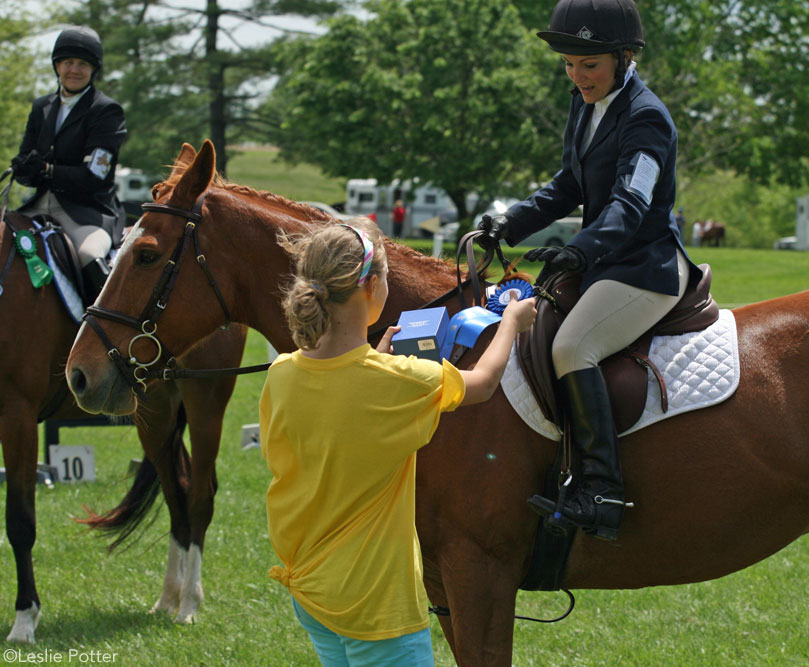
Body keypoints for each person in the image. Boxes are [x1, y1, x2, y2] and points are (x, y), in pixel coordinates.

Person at [259, 218, 535, 667]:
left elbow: (339, 411)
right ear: (371, 288)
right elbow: (482, 384)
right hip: (375, 605)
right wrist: (511, 322)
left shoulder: (282, 374)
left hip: (311, 590)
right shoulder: (396, 383)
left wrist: (377, 359)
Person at [477, 0, 703, 542]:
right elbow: (569, 185)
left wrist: (579, 248)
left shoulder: (647, 117)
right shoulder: (587, 104)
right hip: (604, 261)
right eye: (568, 65)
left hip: (644, 267)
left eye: (589, 65)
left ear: (625, 58)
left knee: (571, 347)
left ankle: (600, 490)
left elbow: (631, 202)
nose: (577, 77)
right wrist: (508, 223)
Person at [10, 25, 127, 303]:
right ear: (57, 66)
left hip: (85, 211)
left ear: (93, 69)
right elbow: (29, 160)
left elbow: (95, 177)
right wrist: (25, 170)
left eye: (82, 64)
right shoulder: (42, 107)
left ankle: (108, 330)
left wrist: (49, 170)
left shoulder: (106, 111)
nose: (74, 70)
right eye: (68, 63)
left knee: (89, 255)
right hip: (38, 206)